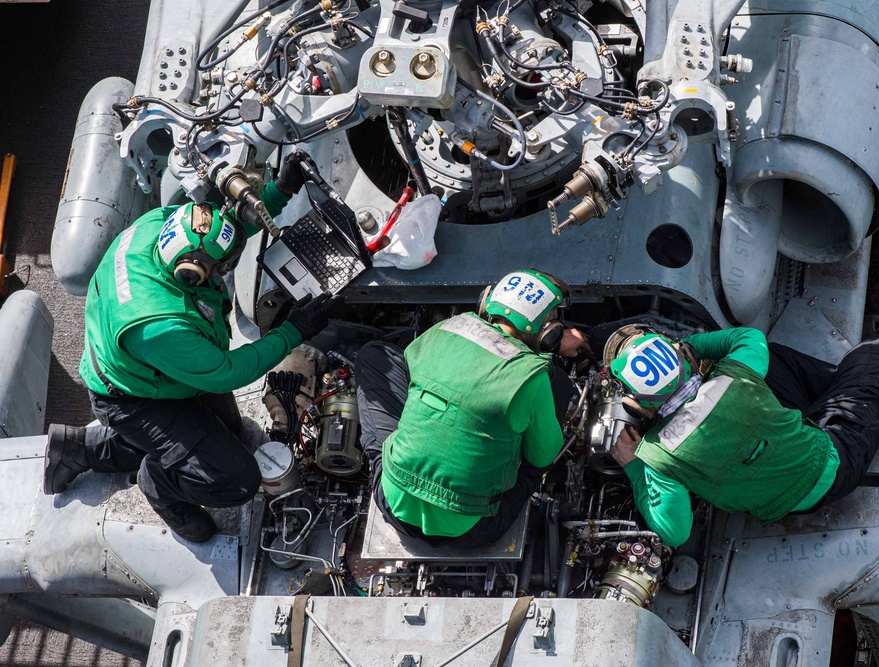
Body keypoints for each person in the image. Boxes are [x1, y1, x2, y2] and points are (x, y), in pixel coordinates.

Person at [43, 150, 341, 543]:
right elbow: (226, 373)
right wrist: (292, 331)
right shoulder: (161, 326)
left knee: (229, 431)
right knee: (236, 479)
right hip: (132, 399)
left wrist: (279, 191)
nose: (227, 273)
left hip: (147, 371)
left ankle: (79, 448)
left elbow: (223, 230)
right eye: (223, 270)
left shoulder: (160, 226)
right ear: (192, 274)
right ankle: (159, 485)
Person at [607, 325, 879, 547]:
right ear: (681, 358)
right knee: (878, 355)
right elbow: (748, 337)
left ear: (636, 404)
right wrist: (691, 346)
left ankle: (878, 391)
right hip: (834, 461)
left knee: (776, 362)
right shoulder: (734, 375)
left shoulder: (656, 457)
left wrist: (634, 467)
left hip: (788, 504)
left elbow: (675, 532)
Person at [354, 269, 591, 548]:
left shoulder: (445, 329)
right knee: (559, 386)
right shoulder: (532, 377)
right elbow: (542, 456)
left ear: (485, 302)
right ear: (549, 335)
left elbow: (410, 370)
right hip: (474, 527)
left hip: (393, 504)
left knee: (374, 355)